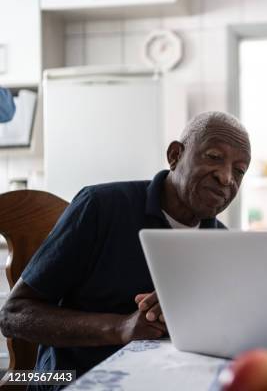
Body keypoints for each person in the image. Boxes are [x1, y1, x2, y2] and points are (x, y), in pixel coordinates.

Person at [0, 111, 251, 385]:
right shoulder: (99, 207)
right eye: (214, 157)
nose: (227, 178)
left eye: (239, 171)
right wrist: (121, 327)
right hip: (73, 378)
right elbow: (13, 314)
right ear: (175, 155)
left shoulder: (223, 245)